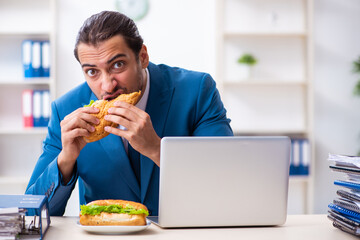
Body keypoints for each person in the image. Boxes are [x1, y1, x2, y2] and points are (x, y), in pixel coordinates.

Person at [26, 11, 233, 216]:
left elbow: (226, 182)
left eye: (118, 65)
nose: (107, 85)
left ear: (142, 57)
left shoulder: (197, 92)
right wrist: (66, 160)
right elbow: (31, 212)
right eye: (92, 71)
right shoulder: (65, 111)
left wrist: (156, 149)